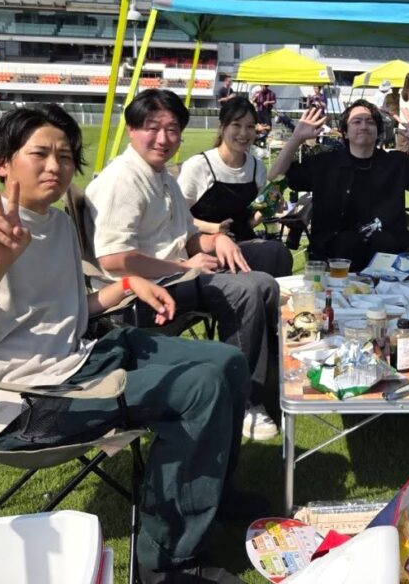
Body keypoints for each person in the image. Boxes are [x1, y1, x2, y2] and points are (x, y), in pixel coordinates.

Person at [0, 104, 250, 583]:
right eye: (40, 154)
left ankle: (215, 493)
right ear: (2, 162)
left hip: (79, 362)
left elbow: (70, 312)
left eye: (65, 156)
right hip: (23, 401)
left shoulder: (55, 224)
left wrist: (128, 286)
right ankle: (168, 566)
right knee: (199, 388)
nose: (55, 166)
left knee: (228, 361)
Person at [86, 89, 281, 442]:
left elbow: (189, 234)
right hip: (139, 295)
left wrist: (216, 240)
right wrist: (181, 266)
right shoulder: (122, 179)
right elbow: (113, 259)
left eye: (172, 129)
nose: (163, 138)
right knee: (248, 289)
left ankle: (267, 386)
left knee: (266, 276)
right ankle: (242, 402)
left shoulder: (160, 176)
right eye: (152, 127)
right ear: (132, 130)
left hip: (174, 276)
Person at [269, 100, 409, 269]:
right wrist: (296, 138)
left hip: (386, 262)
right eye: (356, 121)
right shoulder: (324, 164)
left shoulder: (395, 163)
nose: (364, 126)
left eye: (370, 122)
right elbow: (275, 175)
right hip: (335, 260)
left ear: (378, 131)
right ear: (345, 132)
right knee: (347, 241)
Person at [178, 98, 293, 277]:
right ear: (222, 127)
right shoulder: (199, 166)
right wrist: (214, 229)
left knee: (278, 254)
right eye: (236, 125)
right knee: (274, 254)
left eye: (250, 126)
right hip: (206, 250)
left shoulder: (257, 168)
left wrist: (269, 208)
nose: (243, 133)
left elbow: (248, 223)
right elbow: (176, 218)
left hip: (244, 246)